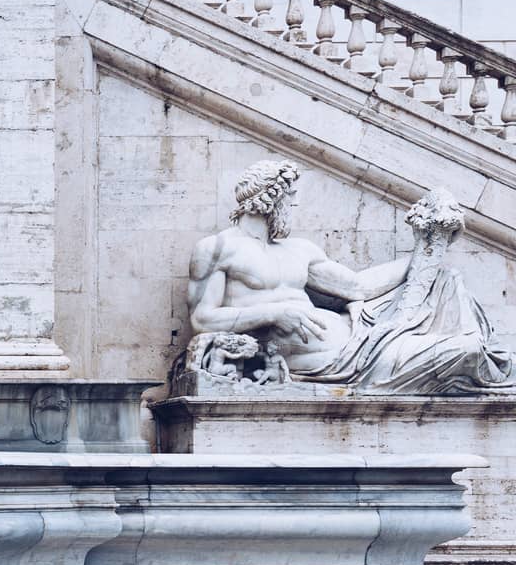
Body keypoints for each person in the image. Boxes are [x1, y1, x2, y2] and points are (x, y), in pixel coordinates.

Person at [188, 159, 514, 392]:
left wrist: (426, 248)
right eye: (290, 197)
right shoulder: (217, 248)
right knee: (467, 351)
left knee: (446, 282)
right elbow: (203, 319)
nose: (296, 202)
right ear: (270, 198)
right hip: (331, 364)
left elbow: (358, 286)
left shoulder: (300, 250)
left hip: (360, 343)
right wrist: (274, 313)